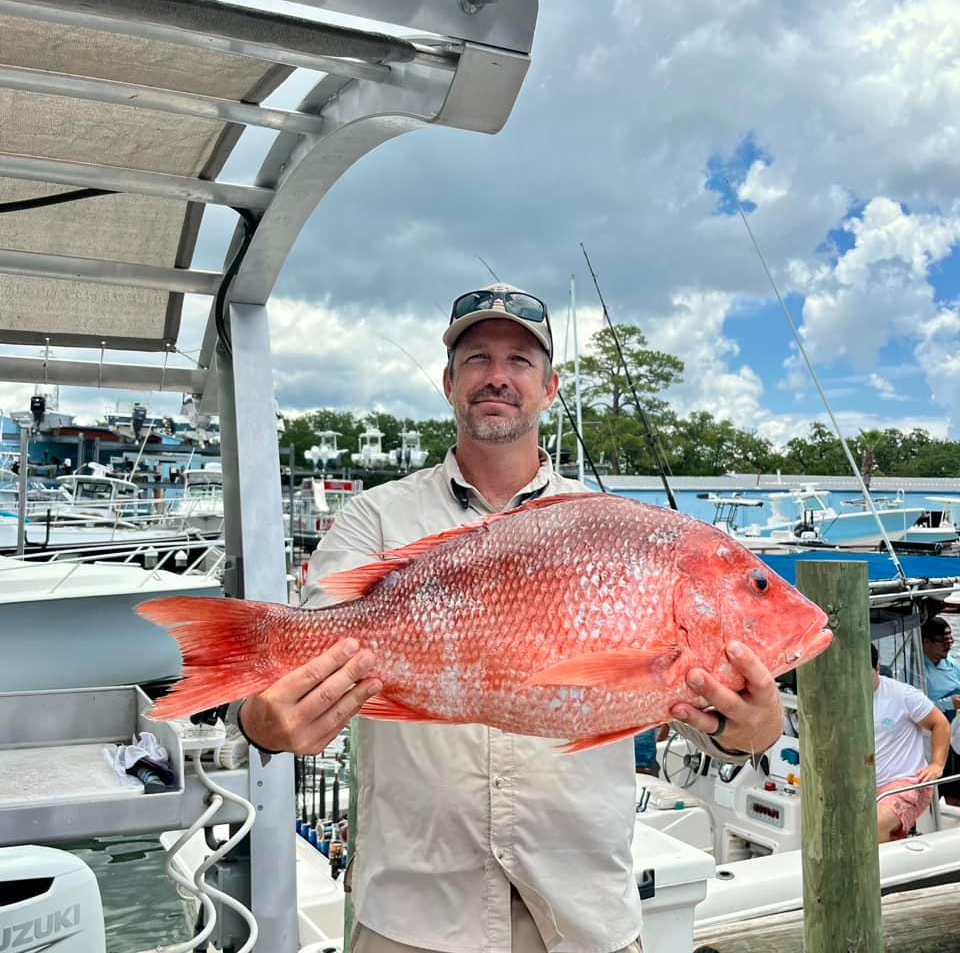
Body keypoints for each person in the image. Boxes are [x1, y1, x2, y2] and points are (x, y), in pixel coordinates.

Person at [239, 283, 786, 953]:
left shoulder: (615, 529)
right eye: (476, 358)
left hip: (584, 917)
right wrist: (262, 724)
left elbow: (702, 721)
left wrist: (750, 730)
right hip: (414, 916)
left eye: (519, 361)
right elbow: (307, 665)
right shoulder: (375, 518)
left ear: (550, 387)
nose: (497, 376)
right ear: (448, 382)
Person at [872, 643, 950, 843]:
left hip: (905, 781)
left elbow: (939, 723)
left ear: (877, 669)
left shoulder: (904, 695)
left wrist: (937, 764)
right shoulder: (839, 699)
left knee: (875, 823)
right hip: (862, 783)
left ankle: (882, 872)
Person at [919, 615, 960, 806]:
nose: (949, 645)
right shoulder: (915, 670)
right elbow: (917, 708)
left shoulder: (953, 666)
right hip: (931, 736)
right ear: (926, 642)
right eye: (944, 641)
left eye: (950, 640)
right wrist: (948, 703)